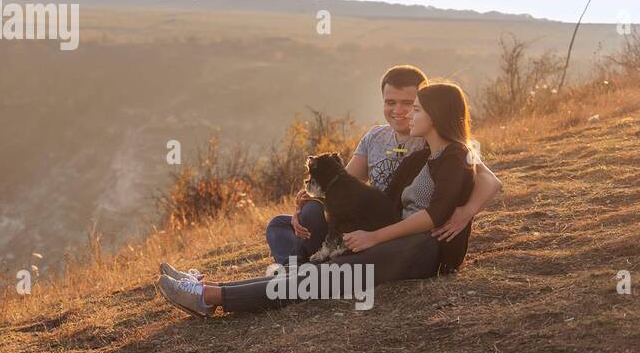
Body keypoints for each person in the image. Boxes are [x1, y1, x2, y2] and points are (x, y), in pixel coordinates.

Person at [158, 79, 485, 318]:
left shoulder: (457, 157)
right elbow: (381, 200)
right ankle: (208, 286)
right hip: (401, 240)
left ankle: (209, 296)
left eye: (416, 109)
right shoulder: (420, 157)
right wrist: (318, 198)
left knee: (328, 276)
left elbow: (435, 214)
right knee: (327, 267)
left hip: (429, 250)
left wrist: (375, 236)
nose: (408, 116)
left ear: (437, 115)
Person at [263, 64, 501, 268]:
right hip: (360, 221)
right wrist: (301, 208)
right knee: (286, 222)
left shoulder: (434, 141)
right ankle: (299, 267)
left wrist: (468, 210)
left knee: (333, 254)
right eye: (390, 102)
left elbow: (489, 180)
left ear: (427, 105)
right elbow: (338, 187)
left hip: (388, 227)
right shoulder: (375, 137)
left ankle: (306, 269)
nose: (398, 111)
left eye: (409, 104)